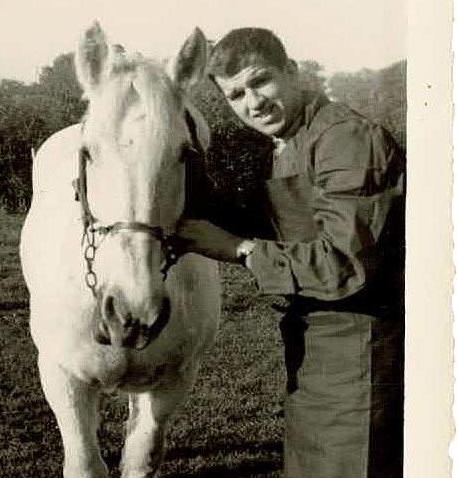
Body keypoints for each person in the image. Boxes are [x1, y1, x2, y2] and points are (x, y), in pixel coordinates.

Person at [175, 28, 405, 478]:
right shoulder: (285, 144)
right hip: (311, 351)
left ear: (293, 71)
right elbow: (274, 223)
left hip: (362, 350)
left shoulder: (346, 139)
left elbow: (344, 265)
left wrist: (237, 249)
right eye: (235, 95)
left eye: (261, 81)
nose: (253, 103)